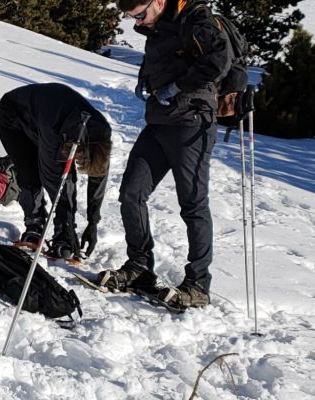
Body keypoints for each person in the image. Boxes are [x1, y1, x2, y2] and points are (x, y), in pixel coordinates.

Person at [97, 0, 234, 310]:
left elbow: (219, 60)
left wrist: (176, 86)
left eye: (140, 14)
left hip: (192, 123)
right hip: (159, 121)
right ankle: (140, 266)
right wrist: (145, 79)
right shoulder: (158, 24)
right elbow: (160, 59)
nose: (137, 21)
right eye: (132, 17)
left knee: (193, 204)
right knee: (132, 192)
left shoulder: (194, 18)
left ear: (158, 1)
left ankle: (198, 284)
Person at [0, 83, 113, 264]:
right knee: (30, 172)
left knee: (64, 176)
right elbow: (56, 180)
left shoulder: (102, 134)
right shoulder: (56, 132)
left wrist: (92, 222)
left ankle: (63, 231)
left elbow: (99, 177)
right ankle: (35, 222)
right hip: (13, 115)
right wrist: (67, 227)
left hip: (50, 115)